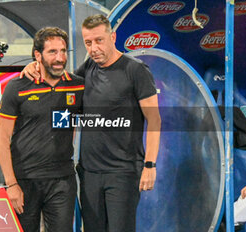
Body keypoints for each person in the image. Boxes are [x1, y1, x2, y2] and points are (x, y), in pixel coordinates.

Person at [21, 14, 161, 232]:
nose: (94, 48)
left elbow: (154, 119)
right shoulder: (87, 69)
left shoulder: (135, 70)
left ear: (112, 37)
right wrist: (35, 65)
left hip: (123, 173)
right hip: (89, 174)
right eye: (88, 42)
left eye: (99, 40)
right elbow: (58, 80)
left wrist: (150, 165)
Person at [0, 27, 84, 232]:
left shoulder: (78, 85)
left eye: (63, 51)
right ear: (38, 55)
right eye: (52, 52)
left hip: (62, 180)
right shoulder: (17, 87)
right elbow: (1, 138)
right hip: (24, 182)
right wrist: (11, 185)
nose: (60, 58)